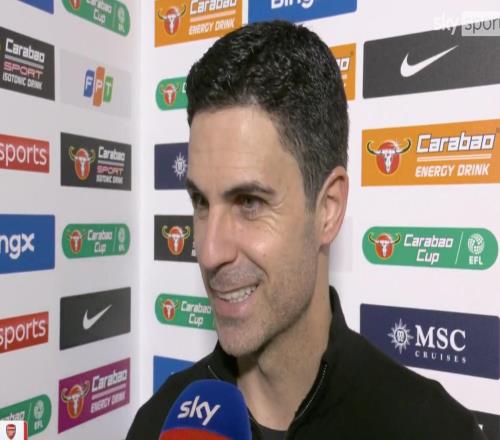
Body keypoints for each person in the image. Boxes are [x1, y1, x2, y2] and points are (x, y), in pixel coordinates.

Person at [127, 21, 486, 440]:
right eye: (201, 202)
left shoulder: (433, 430)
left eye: (249, 202)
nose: (209, 252)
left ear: (328, 209)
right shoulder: (158, 423)